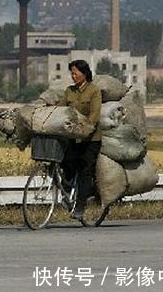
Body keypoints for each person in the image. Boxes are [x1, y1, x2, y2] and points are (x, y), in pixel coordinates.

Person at [57, 59, 102, 220]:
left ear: (84, 73)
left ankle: (81, 206)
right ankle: (68, 193)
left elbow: (95, 114)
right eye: (72, 73)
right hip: (73, 137)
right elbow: (61, 109)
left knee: (84, 170)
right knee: (66, 162)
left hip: (90, 139)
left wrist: (86, 128)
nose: (73, 75)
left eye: (75, 72)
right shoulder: (69, 91)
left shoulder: (94, 91)